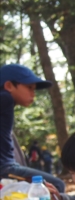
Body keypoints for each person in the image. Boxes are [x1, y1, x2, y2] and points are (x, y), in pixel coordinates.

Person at [0, 64, 65, 192]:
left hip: (7, 166)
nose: (33, 94)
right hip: (5, 167)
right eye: (29, 88)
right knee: (57, 185)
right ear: (9, 86)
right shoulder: (5, 98)